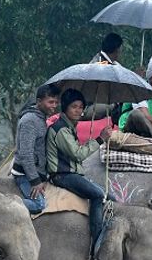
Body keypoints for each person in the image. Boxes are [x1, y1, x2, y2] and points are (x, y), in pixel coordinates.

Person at [47, 88, 112, 249]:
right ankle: (97, 242)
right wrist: (100, 139)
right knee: (97, 195)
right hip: (62, 175)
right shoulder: (61, 129)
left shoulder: (70, 126)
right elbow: (78, 154)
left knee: (109, 195)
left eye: (81, 107)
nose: (78, 110)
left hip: (73, 174)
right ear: (65, 107)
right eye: (74, 107)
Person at [11, 84, 61, 214]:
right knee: (39, 205)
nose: (54, 106)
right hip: (24, 174)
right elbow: (26, 153)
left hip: (37, 171)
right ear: (39, 101)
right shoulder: (30, 121)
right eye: (50, 102)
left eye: (56, 102)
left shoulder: (41, 117)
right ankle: (5, 203)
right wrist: (35, 181)